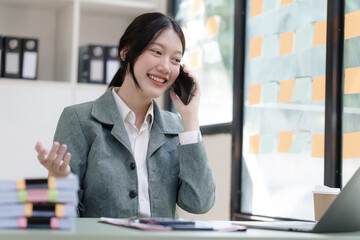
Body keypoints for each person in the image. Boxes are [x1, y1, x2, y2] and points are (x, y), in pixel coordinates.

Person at [35, 12, 215, 218]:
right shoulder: (79, 119)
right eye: (157, 52)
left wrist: (190, 119)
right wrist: (58, 180)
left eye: (175, 59)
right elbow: (63, 217)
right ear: (126, 52)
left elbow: (199, 202)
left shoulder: (176, 127)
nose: (165, 67)